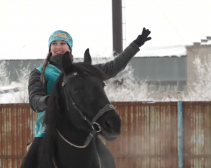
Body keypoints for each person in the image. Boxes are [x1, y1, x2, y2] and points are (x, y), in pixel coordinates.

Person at [21, 28, 151, 168]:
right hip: (47, 130)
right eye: (55, 43)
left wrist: (135, 45)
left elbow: (113, 67)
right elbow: (35, 100)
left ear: (69, 47)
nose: (58, 47)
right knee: (28, 164)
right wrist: (50, 100)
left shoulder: (82, 72)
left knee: (108, 161)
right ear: (50, 47)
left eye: (63, 43)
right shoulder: (39, 73)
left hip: (83, 129)